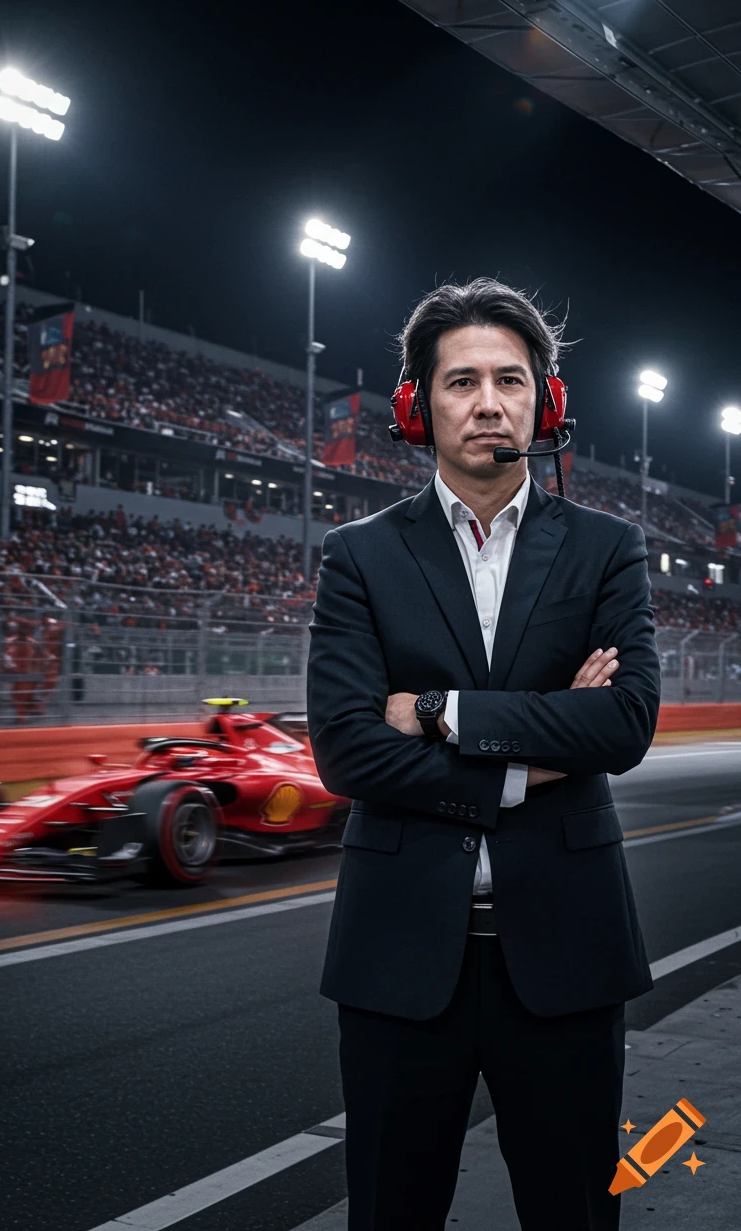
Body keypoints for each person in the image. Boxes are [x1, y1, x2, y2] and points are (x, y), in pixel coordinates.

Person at [307, 278, 660, 1230]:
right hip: (398, 959)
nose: (489, 401)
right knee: (390, 1215)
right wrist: (535, 754)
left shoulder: (608, 548)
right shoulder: (358, 555)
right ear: (420, 407)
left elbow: (624, 724)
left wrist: (435, 711)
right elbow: (345, 751)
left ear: (545, 402)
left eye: (511, 378)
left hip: (568, 957)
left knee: (579, 1212)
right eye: (462, 381)